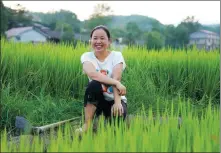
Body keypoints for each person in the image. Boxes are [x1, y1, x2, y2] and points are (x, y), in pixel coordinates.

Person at [78, 25, 128, 133]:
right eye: (95, 38)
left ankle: (108, 118)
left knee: (117, 125)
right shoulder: (86, 56)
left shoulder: (116, 56)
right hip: (96, 100)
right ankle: (87, 124)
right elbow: (92, 74)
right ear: (90, 40)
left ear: (109, 41)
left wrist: (118, 102)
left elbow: (117, 77)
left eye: (102, 38)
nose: (98, 41)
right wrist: (116, 82)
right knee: (94, 84)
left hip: (113, 99)